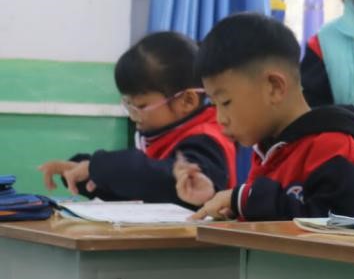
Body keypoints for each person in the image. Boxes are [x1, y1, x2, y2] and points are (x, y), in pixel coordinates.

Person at [176, 12, 354, 220]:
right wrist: (222, 205)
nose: (220, 119)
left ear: (274, 87)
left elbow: (337, 229)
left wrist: (245, 200)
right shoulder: (271, 151)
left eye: (225, 102)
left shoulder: (336, 151)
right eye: (214, 105)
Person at [38, 32, 235, 205]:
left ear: (187, 101)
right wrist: (85, 175)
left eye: (140, 106)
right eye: (128, 105)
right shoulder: (160, 136)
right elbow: (139, 188)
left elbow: (160, 180)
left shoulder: (207, 139)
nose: (133, 116)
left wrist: (99, 167)